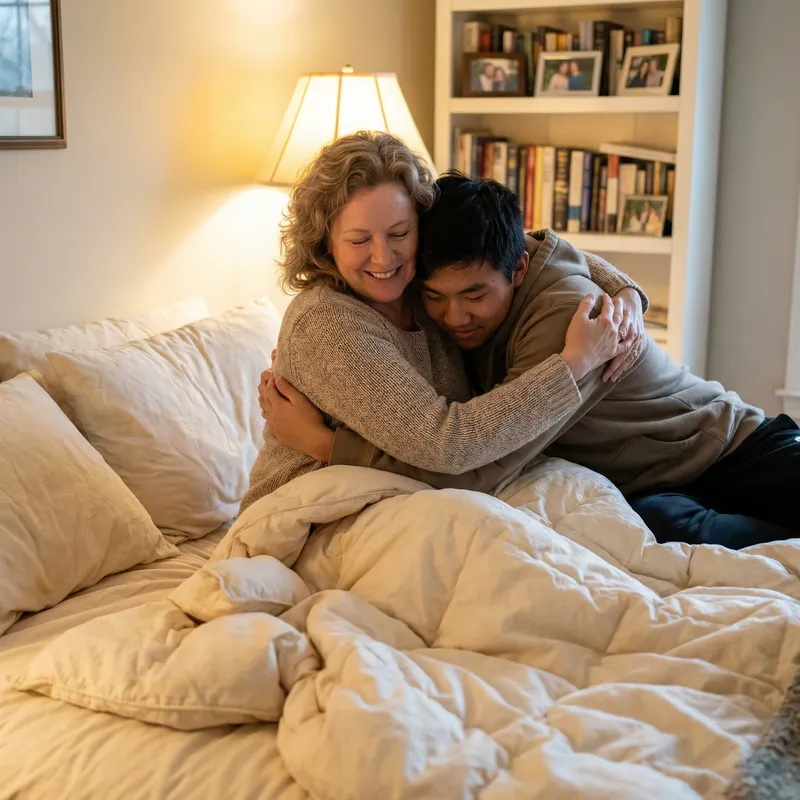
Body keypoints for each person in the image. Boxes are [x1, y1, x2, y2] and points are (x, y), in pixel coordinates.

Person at [263, 174, 799, 550]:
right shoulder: (411, 298)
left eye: (475, 295)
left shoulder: (574, 325)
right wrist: (628, 288)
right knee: (658, 525)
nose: (455, 317)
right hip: (653, 488)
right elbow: (549, 246)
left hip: (728, 446)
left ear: (517, 270)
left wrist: (327, 445)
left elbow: (476, 467)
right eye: (436, 296)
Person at [241, 133, 645, 511]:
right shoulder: (328, 324)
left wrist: (625, 291)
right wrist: (574, 363)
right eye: (359, 240)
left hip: (400, 498)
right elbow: (447, 444)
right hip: (312, 505)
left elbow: (521, 246)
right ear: (325, 240)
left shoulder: (419, 286)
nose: (383, 258)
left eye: (399, 233)